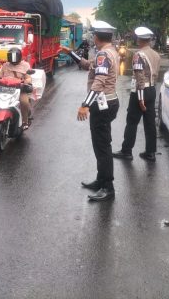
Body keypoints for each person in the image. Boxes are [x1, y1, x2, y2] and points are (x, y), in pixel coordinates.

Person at [61, 21, 119, 202]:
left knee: (102, 147)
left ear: (96, 37)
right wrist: (69, 52)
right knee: (101, 145)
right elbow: (88, 65)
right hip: (107, 103)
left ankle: (108, 188)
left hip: (103, 104)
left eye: (93, 35)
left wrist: (85, 104)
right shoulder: (109, 52)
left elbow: (99, 82)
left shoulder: (104, 55)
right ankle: (101, 180)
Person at [113, 26, 161, 162]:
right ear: (149, 40)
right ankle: (151, 152)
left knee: (132, 122)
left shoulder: (138, 55)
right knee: (150, 123)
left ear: (139, 40)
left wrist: (140, 99)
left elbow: (140, 78)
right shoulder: (156, 55)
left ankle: (126, 151)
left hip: (140, 92)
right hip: (152, 90)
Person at [0, 47, 33, 128]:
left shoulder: (25, 65)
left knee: (24, 102)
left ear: (19, 56)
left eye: (15, 57)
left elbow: (28, 77)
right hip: (5, 89)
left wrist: (26, 81)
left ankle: (25, 122)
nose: (13, 59)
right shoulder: (5, 65)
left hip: (19, 89)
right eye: (11, 57)